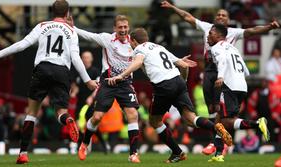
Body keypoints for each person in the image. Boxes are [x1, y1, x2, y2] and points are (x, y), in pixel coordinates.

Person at [0, 0, 98, 164]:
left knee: (31, 113)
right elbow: (75, 58)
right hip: (61, 71)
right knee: (61, 111)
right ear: (67, 14)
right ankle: (67, 120)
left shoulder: (42, 25)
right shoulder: (71, 31)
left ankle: (23, 153)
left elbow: (22, 44)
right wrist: (87, 80)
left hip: (42, 69)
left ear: (52, 13)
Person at [161, 0, 280, 156]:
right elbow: (187, 17)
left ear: (228, 20)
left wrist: (268, 27)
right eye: (218, 14)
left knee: (221, 111)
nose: (221, 16)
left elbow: (252, 31)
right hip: (210, 71)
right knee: (211, 108)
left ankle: (218, 145)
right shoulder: (207, 28)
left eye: (224, 15)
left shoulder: (232, 32)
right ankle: (216, 142)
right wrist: (172, 8)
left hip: (223, 73)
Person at [106, 28, 233, 163]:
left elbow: (137, 63)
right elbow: (184, 66)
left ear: (133, 41)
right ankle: (215, 128)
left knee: (154, 121)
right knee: (190, 119)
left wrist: (120, 76)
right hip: (178, 82)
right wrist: (182, 83)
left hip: (163, 86)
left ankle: (177, 152)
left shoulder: (139, 49)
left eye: (130, 42)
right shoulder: (158, 47)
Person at [68, 15, 141, 163]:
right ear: (114, 28)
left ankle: (133, 154)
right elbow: (88, 35)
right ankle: (84, 144)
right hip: (107, 83)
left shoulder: (134, 43)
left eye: (125, 27)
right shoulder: (107, 39)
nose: (123, 30)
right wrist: (71, 27)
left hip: (125, 84)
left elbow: (148, 53)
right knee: (97, 118)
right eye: (120, 27)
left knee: (132, 115)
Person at [207, 24, 269, 162]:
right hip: (241, 86)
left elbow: (222, 61)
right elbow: (246, 70)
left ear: (218, 35)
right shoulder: (233, 48)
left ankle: (257, 124)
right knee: (219, 120)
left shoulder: (217, 47)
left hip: (229, 85)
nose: (207, 36)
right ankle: (218, 154)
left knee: (225, 121)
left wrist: (221, 76)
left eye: (210, 33)